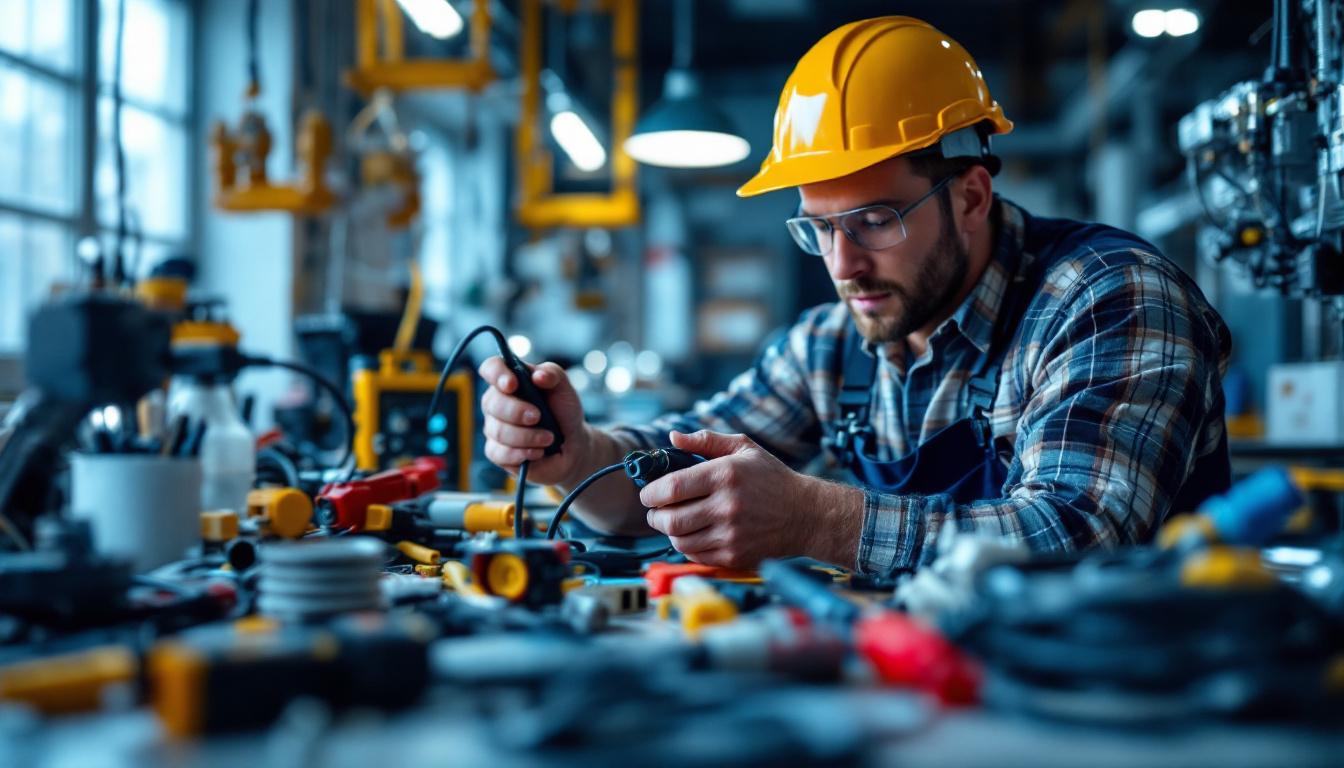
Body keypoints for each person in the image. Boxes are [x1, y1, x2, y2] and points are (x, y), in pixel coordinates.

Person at [476, 16, 1231, 575]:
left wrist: (814, 518)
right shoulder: (834, 345)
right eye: (819, 229)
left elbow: (1082, 537)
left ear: (970, 196)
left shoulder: (1106, 298)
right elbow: (682, 467)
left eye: (875, 221)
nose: (845, 265)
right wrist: (579, 456)